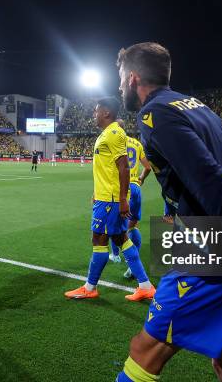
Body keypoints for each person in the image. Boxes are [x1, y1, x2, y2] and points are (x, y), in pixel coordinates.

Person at [116, 42, 222, 382]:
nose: (119, 86)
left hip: (209, 250)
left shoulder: (155, 114)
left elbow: (213, 183)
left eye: (120, 77)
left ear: (133, 78)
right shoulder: (198, 107)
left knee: (144, 350)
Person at [64, 97, 155, 302]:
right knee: (120, 238)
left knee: (99, 239)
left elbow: (124, 166)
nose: (94, 114)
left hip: (111, 200)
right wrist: (97, 193)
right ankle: (145, 286)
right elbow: (108, 169)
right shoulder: (109, 133)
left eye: (96, 110)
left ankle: (90, 287)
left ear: (106, 112)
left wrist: (123, 199)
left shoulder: (114, 133)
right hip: (107, 197)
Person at [109, 119, 151, 278]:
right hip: (135, 188)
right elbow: (148, 167)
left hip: (122, 189)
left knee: (117, 227)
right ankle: (132, 266)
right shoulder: (137, 143)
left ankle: (116, 255)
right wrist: (141, 179)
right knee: (132, 227)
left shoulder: (115, 141)